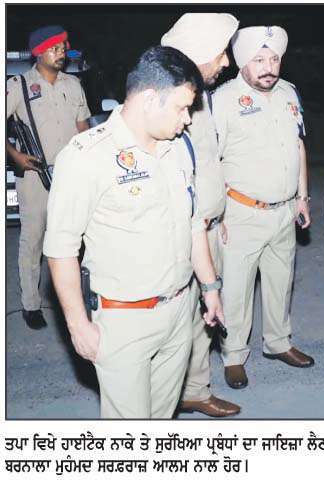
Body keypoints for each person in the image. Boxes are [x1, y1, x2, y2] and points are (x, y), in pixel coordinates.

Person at [43, 46, 224, 419]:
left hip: (179, 311)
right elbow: (61, 250)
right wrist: (78, 325)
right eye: (182, 108)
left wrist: (209, 288)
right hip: (124, 322)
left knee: (162, 417)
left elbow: (193, 223)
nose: (187, 119)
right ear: (149, 100)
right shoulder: (86, 156)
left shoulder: (178, 148)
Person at [212, 26, 315, 390]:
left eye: (274, 59)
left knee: (280, 281)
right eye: (258, 60)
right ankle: (234, 355)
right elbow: (209, 162)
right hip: (241, 213)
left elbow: (298, 145)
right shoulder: (222, 100)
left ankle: (278, 343)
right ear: (242, 62)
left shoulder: (289, 92)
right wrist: (216, 216)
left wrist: (302, 196)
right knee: (235, 290)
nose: (268, 67)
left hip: (285, 211)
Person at [161, 13, 241, 416]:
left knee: (203, 317)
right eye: (221, 52)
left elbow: (208, 163)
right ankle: (162, 401)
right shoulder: (166, 100)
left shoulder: (202, 96)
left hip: (207, 228)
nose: (227, 62)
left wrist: (218, 215)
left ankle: (195, 390)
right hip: (180, 235)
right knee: (172, 324)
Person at [6, 25, 91, 330]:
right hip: (35, 176)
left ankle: (76, 300)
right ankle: (31, 304)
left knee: (75, 240)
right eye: (54, 49)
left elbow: (84, 127)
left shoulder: (74, 84)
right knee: (33, 241)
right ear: (38, 53)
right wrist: (14, 156)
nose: (61, 53)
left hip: (71, 176)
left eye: (63, 47)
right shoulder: (19, 85)